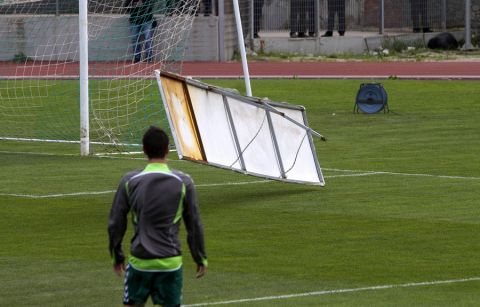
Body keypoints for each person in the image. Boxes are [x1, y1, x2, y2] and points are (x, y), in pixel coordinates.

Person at [108, 126, 208, 307]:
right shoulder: (184, 182)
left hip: (140, 262)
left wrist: (117, 255)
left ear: (144, 150)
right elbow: (194, 223)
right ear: (168, 149)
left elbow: (116, 221)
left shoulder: (129, 181)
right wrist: (199, 257)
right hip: (170, 263)